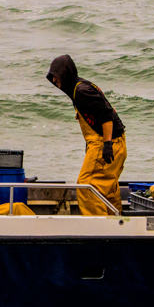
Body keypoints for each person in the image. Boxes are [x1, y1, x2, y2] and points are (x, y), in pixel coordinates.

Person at [46, 54, 127, 216]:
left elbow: (107, 115)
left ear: (65, 74)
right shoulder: (80, 88)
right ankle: (116, 224)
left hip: (106, 143)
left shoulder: (82, 91)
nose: (54, 81)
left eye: (56, 77)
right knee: (106, 186)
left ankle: (98, 228)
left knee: (86, 186)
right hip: (116, 144)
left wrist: (107, 144)